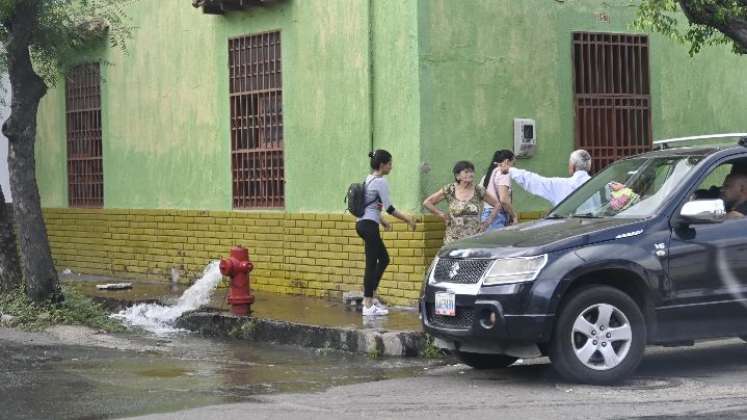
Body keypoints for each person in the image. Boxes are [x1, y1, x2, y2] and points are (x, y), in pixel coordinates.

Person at [356, 149, 416, 317]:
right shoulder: (381, 181)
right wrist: (408, 220)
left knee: (384, 259)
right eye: (390, 163)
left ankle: (372, 297)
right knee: (371, 263)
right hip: (368, 225)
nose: (391, 167)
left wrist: (382, 221)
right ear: (382, 165)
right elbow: (389, 208)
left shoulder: (369, 178)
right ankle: (367, 304)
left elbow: (372, 204)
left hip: (363, 223)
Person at [423, 161, 501, 244]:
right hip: (453, 240)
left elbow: (497, 204)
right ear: (457, 176)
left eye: (472, 171)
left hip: (474, 239)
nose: (470, 174)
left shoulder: (478, 190)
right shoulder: (449, 189)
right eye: (466, 172)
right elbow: (427, 202)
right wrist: (441, 214)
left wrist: (487, 222)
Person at [502, 149, 592, 206]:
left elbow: (535, 181)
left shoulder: (561, 185)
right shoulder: (601, 186)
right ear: (589, 167)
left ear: (572, 166)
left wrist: (511, 170)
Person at [480, 149, 518, 230]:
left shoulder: (486, 176)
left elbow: (482, 198)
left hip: (486, 215)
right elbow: (504, 200)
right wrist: (514, 216)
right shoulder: (503, 174)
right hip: (498, 216)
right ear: (507, 161)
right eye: (513, 164)